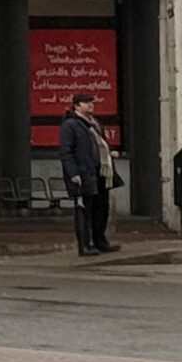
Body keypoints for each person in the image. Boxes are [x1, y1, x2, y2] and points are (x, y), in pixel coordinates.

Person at [59, 92, 119, 254]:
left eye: (92, 102)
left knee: (101, 208)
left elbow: (101, 144)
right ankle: (85, 245)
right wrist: (73, 173)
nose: (91, 105)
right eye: (86, 102)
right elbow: (66, 152)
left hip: (100, 172)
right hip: (84, 173)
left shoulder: (94, 123)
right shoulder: (70, 125)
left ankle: (100, 241)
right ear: (77, 106)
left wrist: (109, 153)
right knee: (84, 210)